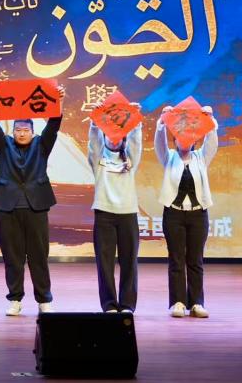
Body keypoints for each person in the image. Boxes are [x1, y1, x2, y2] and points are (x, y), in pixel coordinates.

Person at [0, 83, 66, 316]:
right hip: (8, 208)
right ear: (13, 131)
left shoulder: (41, 145)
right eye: (17, 129)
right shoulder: (4, 145)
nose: (21, 133)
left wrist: (58, 101)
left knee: (39, 257)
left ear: (32, 131)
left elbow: (53, 126)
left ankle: (44, 300)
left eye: (26, 129)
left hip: (36, 207)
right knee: (12, 257)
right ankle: (15, 299)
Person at [155, 105, 219, 318]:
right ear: (175, 140)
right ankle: (178, 302)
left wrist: (210, 119)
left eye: (188, 137)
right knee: (176, 259)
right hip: (173, 214)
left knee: (195, 260)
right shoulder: (169, 158)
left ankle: (197, 303)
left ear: (194, 140)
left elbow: (212, 141)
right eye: (179, 137)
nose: (184, 141)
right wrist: (162, 122)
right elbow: (159, 144)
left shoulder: (201, 157)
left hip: (198, 215)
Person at [87, 111, 142, 313]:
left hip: (128, 214)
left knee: (129, 262)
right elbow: (93, 144)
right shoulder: (98, 159)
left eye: (119, 134)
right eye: (110, 133)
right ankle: (109, 304)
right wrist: (94, 124)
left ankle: (127, 304)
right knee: (105, 263)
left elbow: (136, 142)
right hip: (104, 215)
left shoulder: (130, 159)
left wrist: (135, 120)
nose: (114, 137)